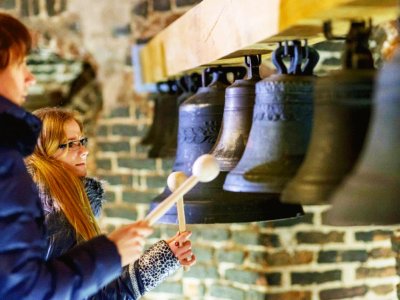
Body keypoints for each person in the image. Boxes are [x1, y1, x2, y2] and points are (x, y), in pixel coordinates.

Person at [0, 12, 160, 299]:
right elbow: (32, 289)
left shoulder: (70, 199)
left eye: (81, 141)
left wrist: (158, 260)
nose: (30, 77)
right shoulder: (51, 203)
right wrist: (111, 253)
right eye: (20, 63)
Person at [26, 107, 196, 299]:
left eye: (82, 141)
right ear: (43, 152)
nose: (84, 151)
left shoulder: (49, 206)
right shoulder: (57, 215)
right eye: (69, 144)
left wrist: (164, 257)